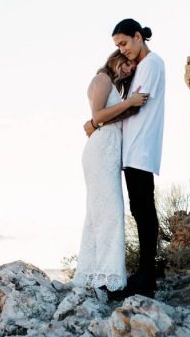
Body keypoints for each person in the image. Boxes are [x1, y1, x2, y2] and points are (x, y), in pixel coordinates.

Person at [86, 18, 165, 299]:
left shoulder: (152, 64)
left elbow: (134, 107)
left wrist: (95, 123)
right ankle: (144, 274)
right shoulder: (140, 68)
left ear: (137, 37)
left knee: (144, 211)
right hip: (131, 150)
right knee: (139, 210)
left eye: (124, 43)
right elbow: (126, 105)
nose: (123, 50)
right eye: (118, 46)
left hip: (140, 148)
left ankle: (146, 277)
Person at [73, 50, 148, 293]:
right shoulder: (103, 78)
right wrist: (129, 103)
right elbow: (97, 116)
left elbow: (109, 119)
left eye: (132, 67)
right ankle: (108, 279)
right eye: (126, 63)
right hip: (99, 152)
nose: (128, 69)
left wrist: (131, 106)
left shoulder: (116, 86)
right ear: (115, 58)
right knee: (111, 213)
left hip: (109, 153)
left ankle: (95, 275)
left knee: (100, 214)